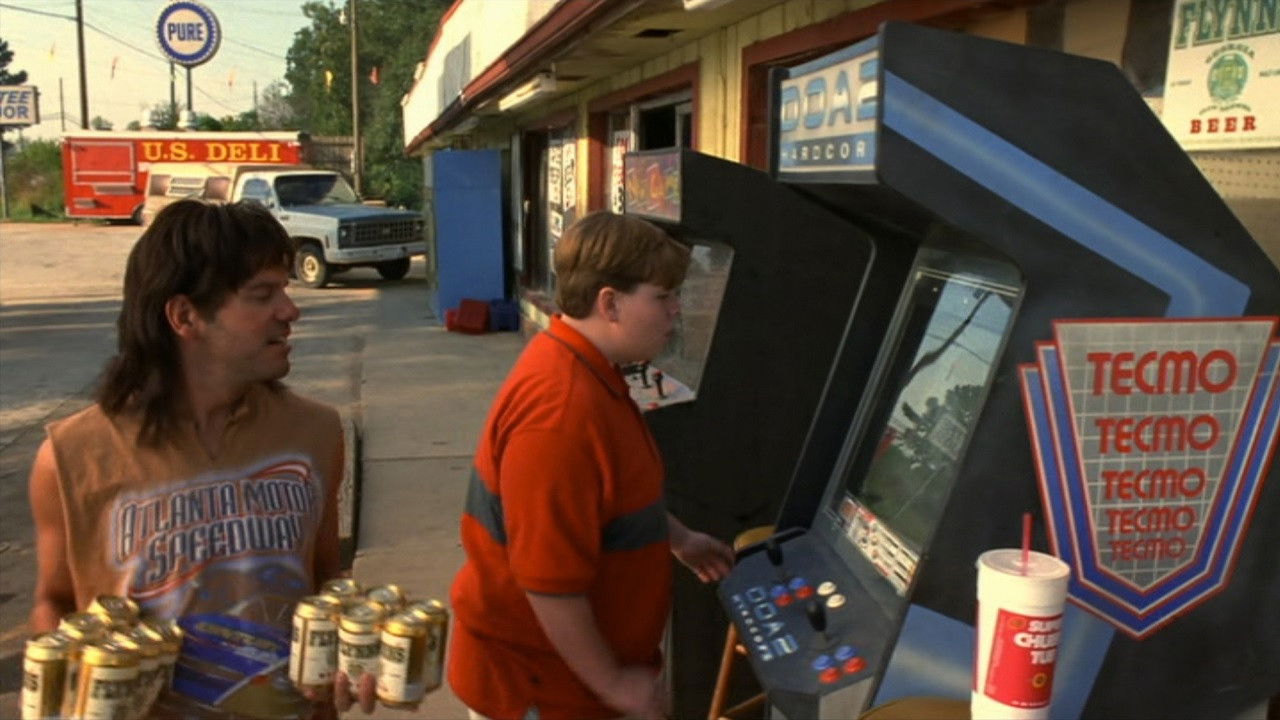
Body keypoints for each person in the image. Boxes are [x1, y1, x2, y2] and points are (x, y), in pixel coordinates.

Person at [27, 199, 353, 719]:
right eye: (263, 295)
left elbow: (325, 578)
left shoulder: (315, 432)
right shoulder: (71, 456)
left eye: (286, 289)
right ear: (185, 316)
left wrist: (352, 658)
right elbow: (54, 602)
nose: (290, 310)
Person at [448, 211, 736, 720]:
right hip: (541, 692)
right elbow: (548, 583)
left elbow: (603, 502)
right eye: (663, 297)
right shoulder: (561, 414)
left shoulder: (586, 370)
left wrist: (678, 538)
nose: (675, 310)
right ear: (610, 303)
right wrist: (615, 684)